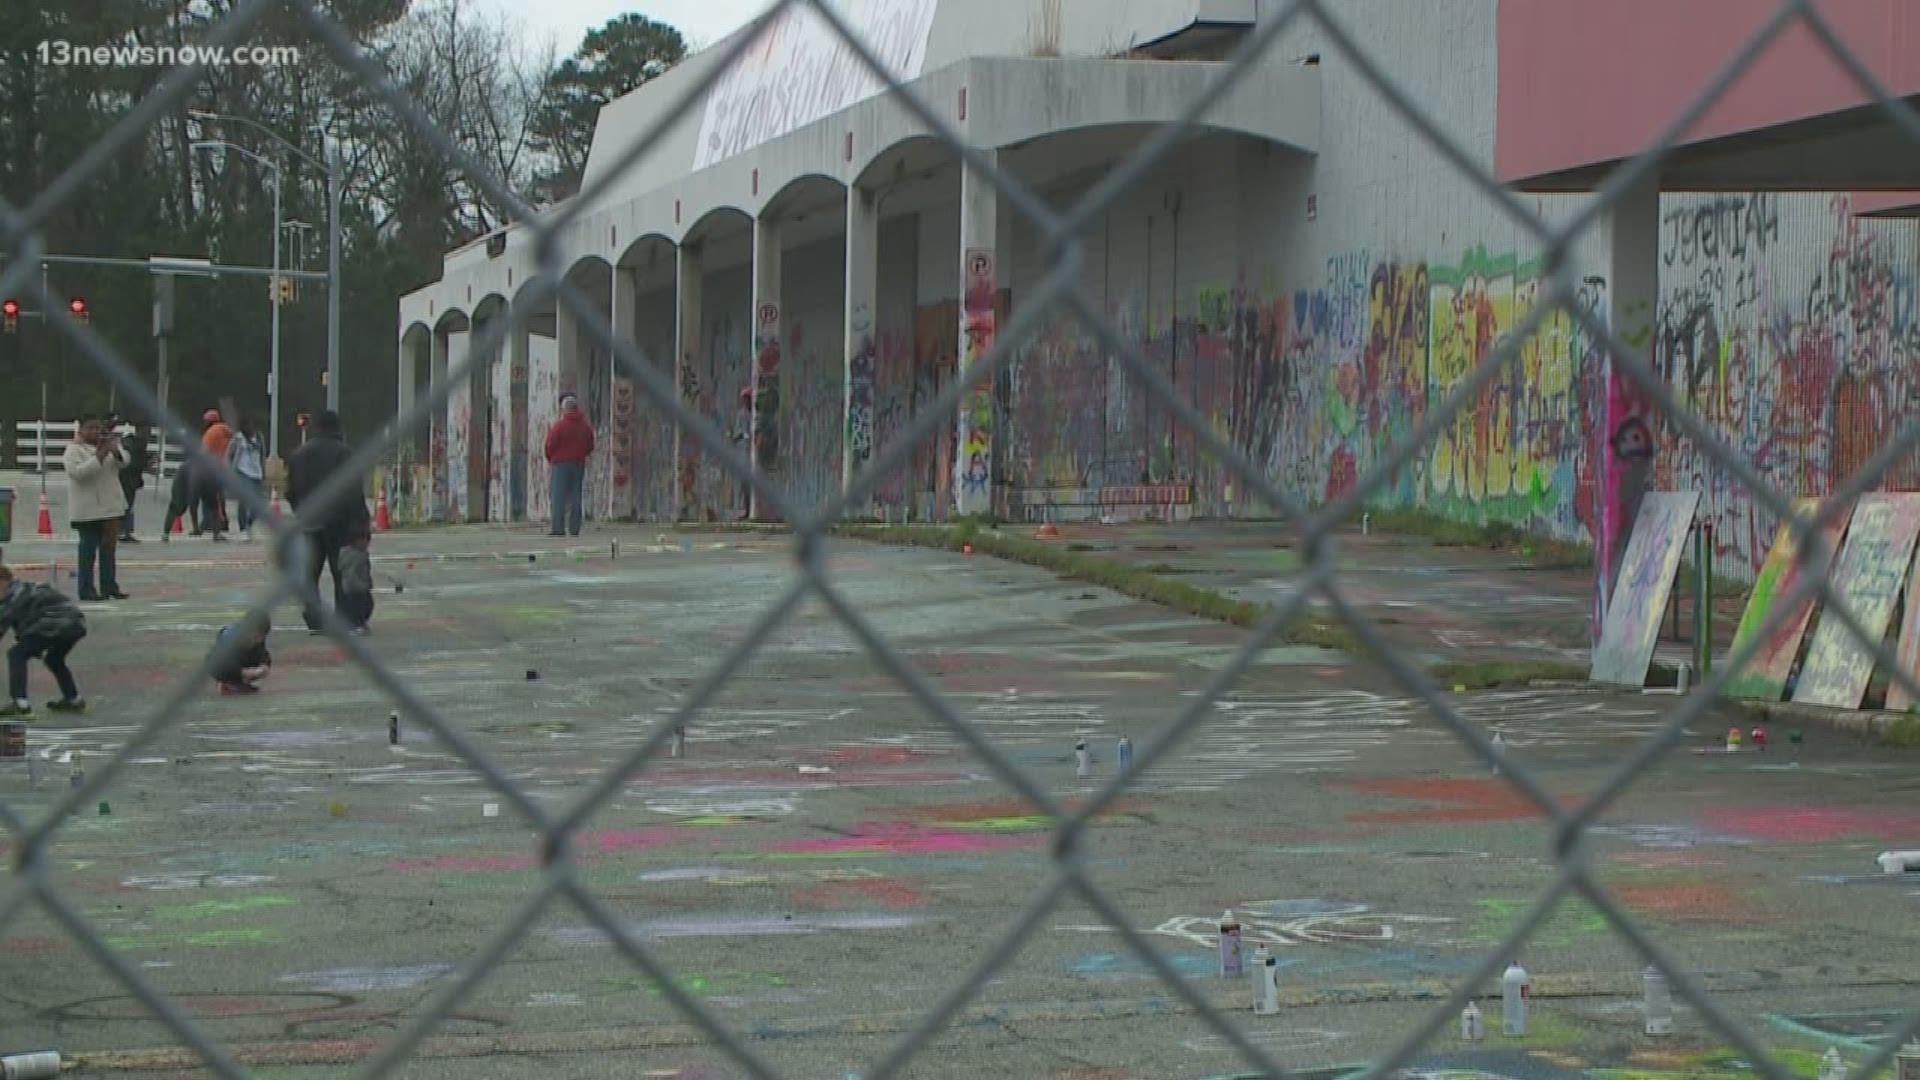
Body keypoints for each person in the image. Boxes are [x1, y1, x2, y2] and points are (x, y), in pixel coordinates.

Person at [284, 410, 373, 634]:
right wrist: (361, 523)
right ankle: (346, 620)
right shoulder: (344, 453)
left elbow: (291, 492)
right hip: (339, 523)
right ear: (338, 428)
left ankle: (315, 620)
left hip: (309, 522)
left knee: (309, 574)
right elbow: (353, 492)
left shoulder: (298, 455)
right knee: (343, 572)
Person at [0, 564, 88, 717]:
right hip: (75, 625)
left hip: (50, 624)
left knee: (16, 654)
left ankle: (20, 704)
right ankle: (73, 699)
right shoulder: (27, 588)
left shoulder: (13, 596)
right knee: (54, 659)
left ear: (4, 581)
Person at [63, 415, 129, 602]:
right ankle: (86, 589)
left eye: (98, 428)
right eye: (90, 428)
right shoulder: (73, 450)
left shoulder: (109, 446)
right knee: (88, 551)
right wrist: (99, 455)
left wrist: (115, 451)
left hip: (110, 508)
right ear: (81, 431)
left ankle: (109, 586)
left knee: (108, 550)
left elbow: (124, 464)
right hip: (87, 510)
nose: (95, 432)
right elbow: (79, 474)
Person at [543, 393, 594, 537]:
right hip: (578, 463)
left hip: (560, 464)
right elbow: (590, 444)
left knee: (558, 496)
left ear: (564, 409)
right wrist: (581, 455)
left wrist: (551, 458)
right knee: (576, 495)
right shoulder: (585, 426)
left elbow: (550, 444)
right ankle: (574, 528)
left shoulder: (559, 426)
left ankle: (558, 528)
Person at [210, 612, 272, 695]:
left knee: (258, 659)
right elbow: (223, 661)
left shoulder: (258, 637)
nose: (259, 640)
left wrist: (264, 666)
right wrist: (243, 672)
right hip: (221, 664)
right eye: (256, 636)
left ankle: (240, 683)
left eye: (261, 637)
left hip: (242, 663)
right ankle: (227, 683)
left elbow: (264, 654)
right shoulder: (230, 635)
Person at [226, 418, 266, 541]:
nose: (251, 429)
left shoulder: (259, 438)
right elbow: (228, 455)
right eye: (248, 426)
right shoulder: (238, 439)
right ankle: (243, 529)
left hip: (256, 474)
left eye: (253, 426)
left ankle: (249, 524)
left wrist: (263, 472)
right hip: (242, 473)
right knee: (244, 501)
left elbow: (262, 455)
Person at [198, 409, 232, 540]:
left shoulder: (211, 432)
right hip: (223, 467)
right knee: (220, 497)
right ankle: (223, 522)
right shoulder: (226, 431)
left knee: (208, 498)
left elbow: (204, 451)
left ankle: (207, 523)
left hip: (210, 468)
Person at [116, 419, 150, 543]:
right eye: (145, 431)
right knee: (125, 505)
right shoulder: (131, 444)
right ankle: (122, 531)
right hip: (126, 478)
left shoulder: (140, 444)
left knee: (128, 505)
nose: (146, 434)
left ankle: (126, 531)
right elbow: (130, 461)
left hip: (132, 478)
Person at [728, 386, 753, 522]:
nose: (746, 402)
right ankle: (747, 510)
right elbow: (737, 435)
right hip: (744, 454)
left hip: (755, 455)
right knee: (745, 485)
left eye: (748, 399)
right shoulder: (742, 415)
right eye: (745, 399)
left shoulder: (757, 414)